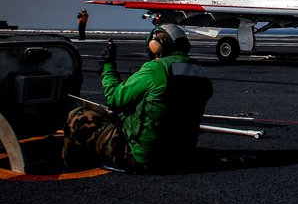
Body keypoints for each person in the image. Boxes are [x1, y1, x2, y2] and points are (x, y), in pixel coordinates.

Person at [62, 24, 213, 172]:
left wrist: (108, 67)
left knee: (76, 116)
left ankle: (72, 166)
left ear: (157, 46)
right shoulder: (200, 72)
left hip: (143, 156)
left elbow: (114, 99)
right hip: (181, 156)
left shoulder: (156, 69)